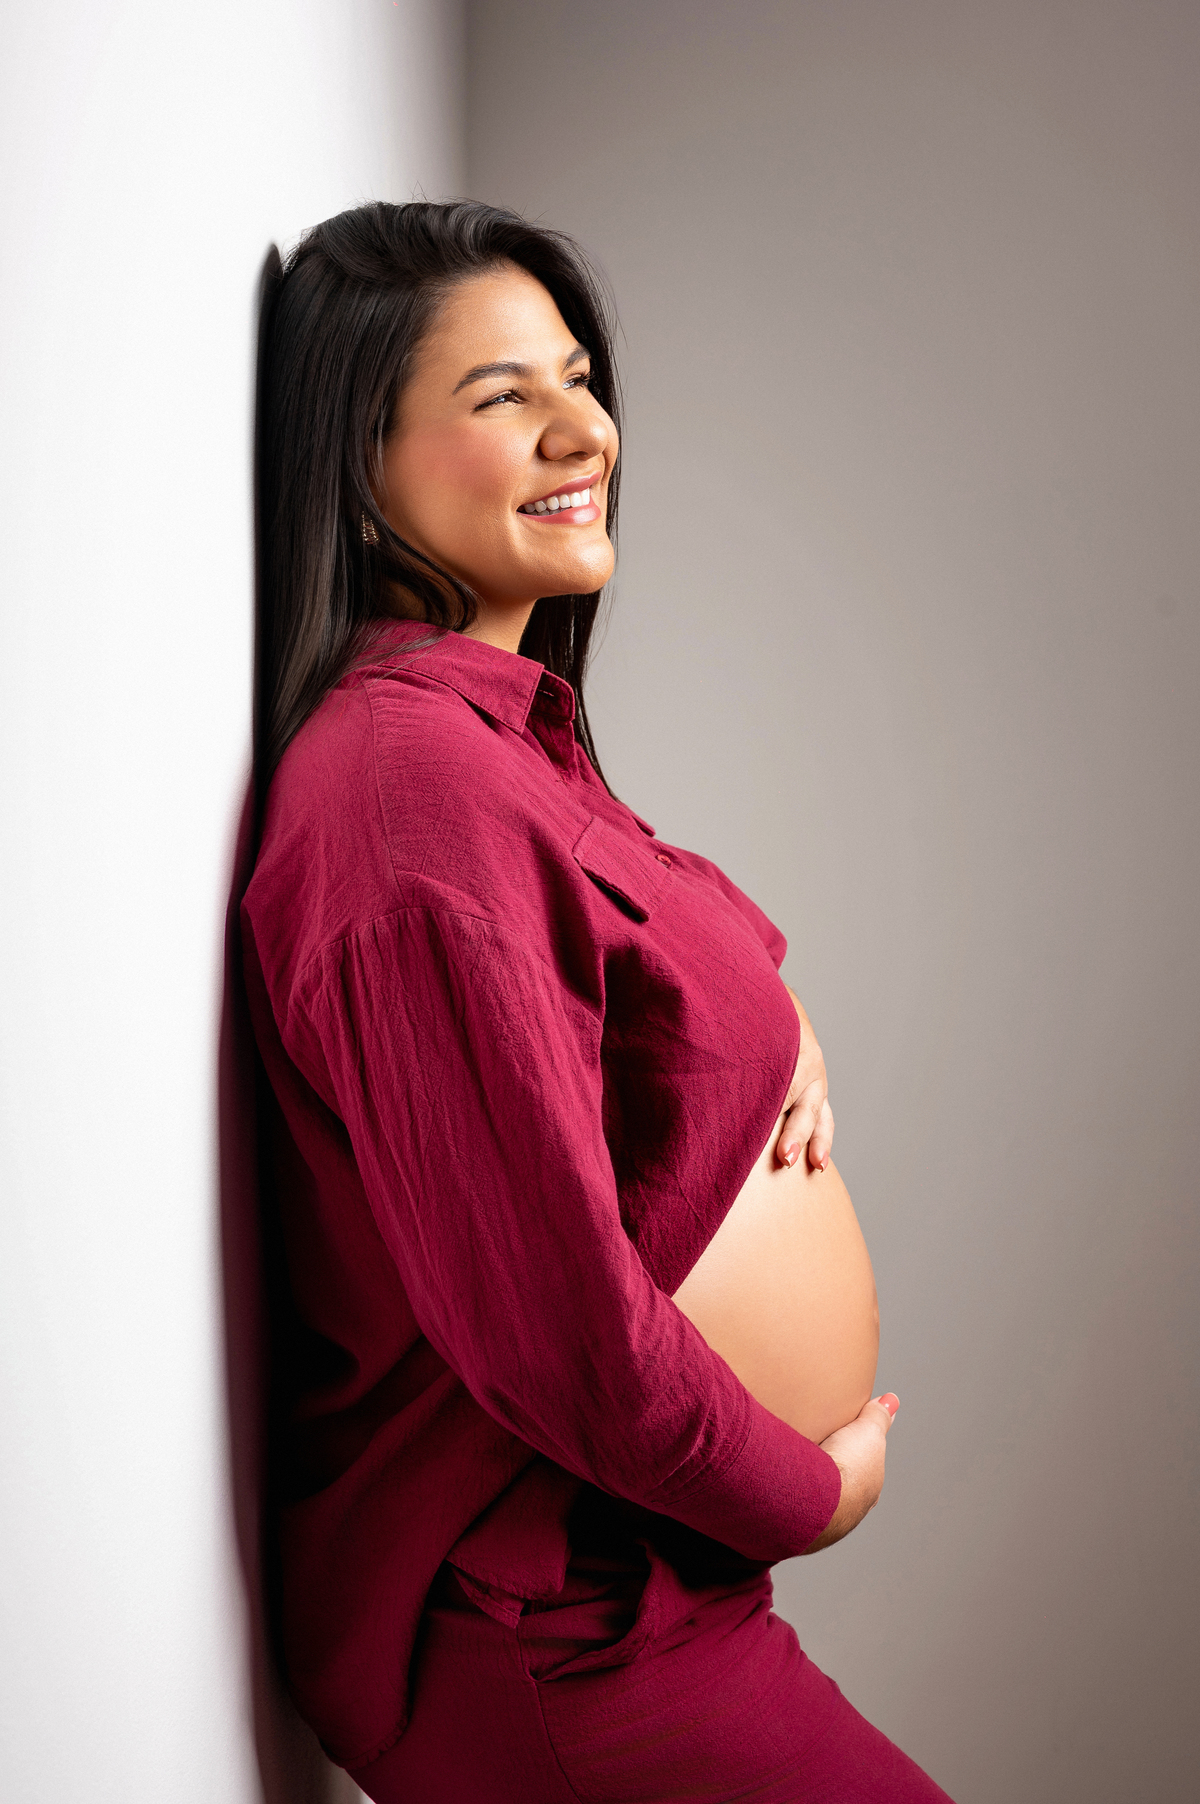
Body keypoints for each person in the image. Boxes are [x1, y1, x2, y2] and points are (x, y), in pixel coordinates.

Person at [242, 199, 953, 1802]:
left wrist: (779, 1031)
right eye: (504, 398)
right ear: (360, 468)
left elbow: (637, 923)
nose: (589, 428)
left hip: (630, 1585)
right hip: (547, 1625)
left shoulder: (495, 742)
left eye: (577, 375)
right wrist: (804, 1492)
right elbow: (554, 1331)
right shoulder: (406, 797)